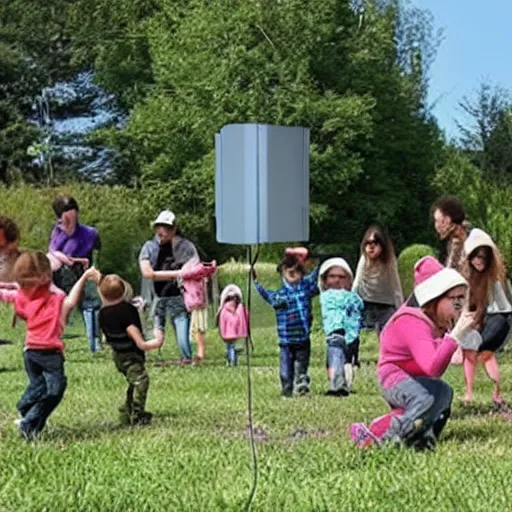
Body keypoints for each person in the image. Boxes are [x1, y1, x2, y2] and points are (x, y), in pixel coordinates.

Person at [350, 256, 475, 450]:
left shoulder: (435, 321)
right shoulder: (412, 321)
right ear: (435, 297)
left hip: (415, 377)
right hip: (395, 377)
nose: (459, 306)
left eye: (462, 299)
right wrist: (455, 337)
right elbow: (433, 367)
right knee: (424, 398)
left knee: (443, 392)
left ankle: (422, 436)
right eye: (455, 300)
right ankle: (387, 438)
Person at [0, 251, 100, 439]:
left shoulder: (50, 298)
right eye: (24, 284)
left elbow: (71, 300)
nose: (27, 289)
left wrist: (85, 276)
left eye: (29, 284)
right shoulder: (33, 296)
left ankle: (29, 420)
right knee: (52, 390)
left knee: (46, 388)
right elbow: (7, 293)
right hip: (39, 353)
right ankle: (27, 417)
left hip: (42, 353)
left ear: (45, 277)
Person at [98, 274, 164, 425]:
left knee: (132, 381)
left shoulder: (103, 313)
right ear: (124, 291)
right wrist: (157, 341)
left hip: (118, 355)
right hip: (131, 356)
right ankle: (137, 414)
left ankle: (126, 409)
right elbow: (140, 343)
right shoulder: (126, 312)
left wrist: (98, 279)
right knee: (141, 381)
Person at [253, 249, 318, 397]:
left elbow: (317, 276)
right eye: (288, 269)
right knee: (285, 371)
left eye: (296, 269)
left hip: (303, 339)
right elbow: (266, 295)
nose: (292, 271)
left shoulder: (306, 288)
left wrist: (314, 260)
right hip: (286, 342)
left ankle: (301, 384)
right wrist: (255, 282)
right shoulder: (279, 295)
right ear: (282, 272)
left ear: (302, 273)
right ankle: (286, 391)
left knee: (301, 368)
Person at [459, 229, 512, 406]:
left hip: (501, 318)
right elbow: (472, 305)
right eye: (475, 257)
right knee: (475, 352)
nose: (479, 261)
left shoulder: (494, 277)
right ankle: (474, 392)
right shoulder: (472, 276)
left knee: (479, 351)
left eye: (483, 257)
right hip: (486, 319)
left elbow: (485, 307)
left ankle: (486, 393)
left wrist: (472, 324)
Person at [138, 210, 198, 365]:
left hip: (179, 295)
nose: (161, 231)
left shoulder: (185, 247)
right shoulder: (150, 247)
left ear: (174, 229)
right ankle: (147, 356)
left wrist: (159, 274)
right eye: (159, 226)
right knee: (156, 330)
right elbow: (146, 272)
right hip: (157, 296)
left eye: (166, 227)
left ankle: (186, 357)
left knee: (181, 323)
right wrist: (176, 273)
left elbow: (193, 269)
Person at [48, 195, 102, 353]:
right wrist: (65, 259)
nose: (70, 217)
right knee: (61, 306)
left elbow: (96, 256)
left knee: (91, 305)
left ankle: (95, 341)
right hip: (63, 275)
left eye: (72, 212)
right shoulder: (57, 231)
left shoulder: (90, 233)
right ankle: (53, 340)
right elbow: (52, 250)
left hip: (85, 271)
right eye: (65, 214)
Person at [319, 257, 363, 396]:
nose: (337, 280)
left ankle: (338, 385)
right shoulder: (325, 296)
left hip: (347, 334)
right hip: (333, 332)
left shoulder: (352, 297)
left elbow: (358, 310)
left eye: (342, 277)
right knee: (333, 358)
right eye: (332, 276)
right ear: (325, 279)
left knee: (340, 357)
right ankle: (338, 382)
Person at [352, 224, 403, 335]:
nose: (371, 247)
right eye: (368, 243)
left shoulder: (389, 263)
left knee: (387, 336)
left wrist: (401, 312)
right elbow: (356, 284)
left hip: (386, 307)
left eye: (375, 243)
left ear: (382, 245)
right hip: (366, 306)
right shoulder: (364, 260)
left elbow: (396, 289)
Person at [181, 259, 217, 364]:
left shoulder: (194, 270)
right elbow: (200, 271)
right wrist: (205, 266)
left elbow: (206, 272)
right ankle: (199, 353)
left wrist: (211, 267)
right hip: (196, 303)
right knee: (197, 329)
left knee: (199, 329)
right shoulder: (191, 271)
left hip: (198, 304)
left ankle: (200, 354)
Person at [432, 196, 470, 272]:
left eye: (437, 221)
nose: (436, 226)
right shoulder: (450, 241)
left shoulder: (468, 243)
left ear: (447, 220)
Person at [217, 284, 249, 366]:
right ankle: (234, 361)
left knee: (229, 347)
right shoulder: (240, 309)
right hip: (236, 333)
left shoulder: (223, 310)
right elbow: (244, 319)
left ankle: (230, 361)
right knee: (233, 347)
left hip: (227, 334)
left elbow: (222, 323)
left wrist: (222, 334)